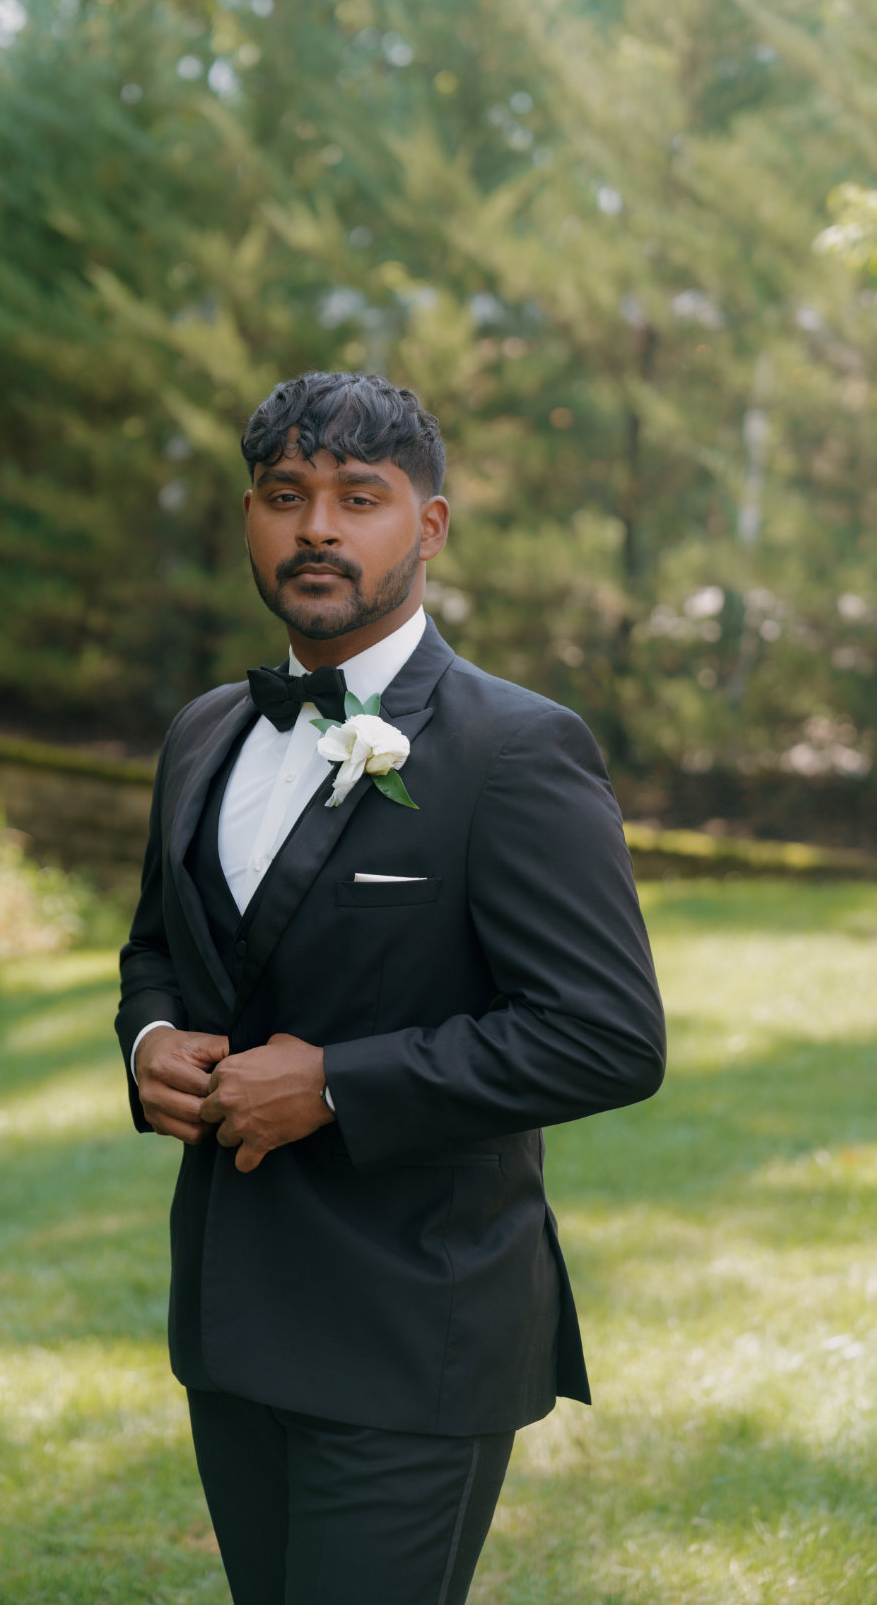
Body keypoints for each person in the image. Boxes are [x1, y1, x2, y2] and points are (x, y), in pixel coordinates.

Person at [115, 370, 666, 1605]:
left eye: (359, 497)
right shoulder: (202, 732)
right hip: (229, 1318)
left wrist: (333, 1085)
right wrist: (147, 1034)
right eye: (284, 494)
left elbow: (607, 1035)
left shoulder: (516, 749)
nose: (316, 526)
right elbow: (155, 944)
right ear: (250, 519)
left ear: (427, 526)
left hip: (417, 1324)